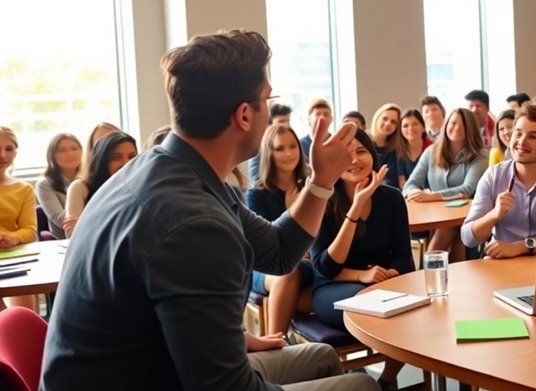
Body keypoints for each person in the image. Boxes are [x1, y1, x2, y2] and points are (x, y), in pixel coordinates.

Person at [42, 29, 376, 391]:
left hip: (154, 364)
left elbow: (279, 252)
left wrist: (321, 181)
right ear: (245, 115)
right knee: (359, 386)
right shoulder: (193, 224)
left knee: (321, 357)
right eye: (269, 99)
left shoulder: (173, 169)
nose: (274, 116)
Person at [309, 129, 411, 391]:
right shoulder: (322, 200)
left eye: (361, 152)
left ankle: (387, 379)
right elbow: (325, 268)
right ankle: (359, 377)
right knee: (366, 301)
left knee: (411, 307)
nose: (354, 160)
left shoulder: (392, 198)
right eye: (346, 154)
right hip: (330, 289)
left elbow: (404, 260)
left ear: (372, 156)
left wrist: (387, 273)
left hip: (382, 284)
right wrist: (355, 208)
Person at [461, 104, 536, 258]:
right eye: (517, 134)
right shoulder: (493, 176)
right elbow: (467, 238)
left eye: (533, 136)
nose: (521, 142)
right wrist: (494, 214)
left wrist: (521, 246)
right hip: (501, 264)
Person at [246, 124, 315, 337]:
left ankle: (300, 344)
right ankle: (276, 344)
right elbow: (264, 248)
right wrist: (291, 208)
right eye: (279, 148)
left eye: (293, 146)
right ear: (269, 153)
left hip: (308, 261)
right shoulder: (257, 193)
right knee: (286, 274)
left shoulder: (311, 185)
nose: (288, 153)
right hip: (265, 267)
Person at [404, 108, 489, 262]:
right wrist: (413, 193)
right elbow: (411, 183)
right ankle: (452, 278)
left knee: (451, 229)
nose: (456, 128)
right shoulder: (431, 151)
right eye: (453, 123)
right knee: (453, 234)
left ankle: (429, 270)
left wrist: (431, 197)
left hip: (468, 215)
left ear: (470, 130)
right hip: (437, 216)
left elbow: (467, 190)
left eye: (463, 125)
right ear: (446, 124)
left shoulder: (480, 155)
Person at [63, 131, 138, 238]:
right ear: (102, 161)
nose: (126, 163)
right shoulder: (80, 188)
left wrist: (86, 226)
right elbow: (72, 234)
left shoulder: (141, 187)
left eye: (132, 157)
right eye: (116, 157)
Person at [0, 126, 38, 311]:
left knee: (26, 317)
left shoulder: (24, 189)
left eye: (9, 149)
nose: (3, 155)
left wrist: (14, 237)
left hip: (11, 259)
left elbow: (30, 229)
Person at [35, 133, 83, 239]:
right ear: (51, 155)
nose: (70, 154)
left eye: (74, 148)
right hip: (66, 242)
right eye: (61, 150)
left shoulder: (91, 179)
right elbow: (62, 220)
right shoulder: (44, 185)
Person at [249, 102, 294, 182]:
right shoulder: (258, 149)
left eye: (288, 121)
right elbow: (256, 180)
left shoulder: (292, 144)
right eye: (281, 122)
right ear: (268, 125)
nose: (286, 125)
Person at [368, 104, 402, 188]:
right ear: (377, 118)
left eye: (393, 122)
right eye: (385, 118)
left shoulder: (394, 149)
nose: (388, 124)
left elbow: (391, 180)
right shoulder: (363, 141)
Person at [396, 108, 433, 188]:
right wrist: (412, 193)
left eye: (415, 124)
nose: (410, 128)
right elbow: (402, 181)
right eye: (405, 126)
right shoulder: (399, 151)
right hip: (411, 195)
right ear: (401, 130)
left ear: (423, 127)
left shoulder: (433, 148)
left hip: (433, 194)